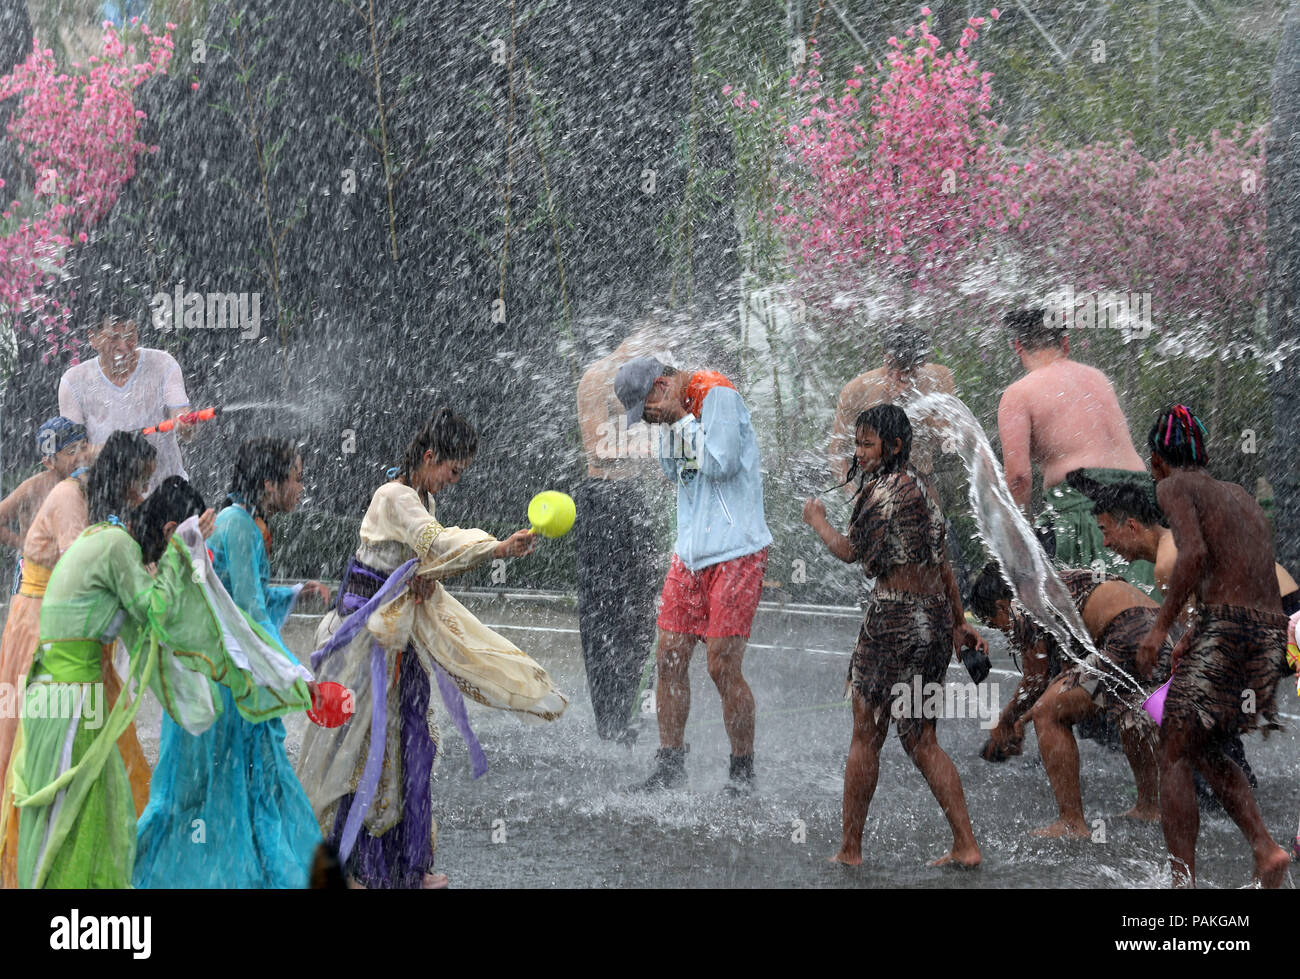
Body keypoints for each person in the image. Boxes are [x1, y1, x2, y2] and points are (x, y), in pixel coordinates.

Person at [295, 408, 568, 889]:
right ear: (428, 456)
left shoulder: (421, 496)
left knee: (410, 747)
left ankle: (406, 866)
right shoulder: (395, 497)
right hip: (365, 643)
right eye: (452, 470)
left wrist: (423, 581)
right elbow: (437, 546)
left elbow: (424, 563)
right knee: (355, 751)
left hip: (401, 641)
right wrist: (497, 548)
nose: (452, 481)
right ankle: (344, 868)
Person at [11, 475, 314, 888]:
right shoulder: (118, 546)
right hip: (69, 700)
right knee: (70, 819)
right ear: (170, 532)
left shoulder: (109, 537)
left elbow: (159, 630)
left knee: (102, 811)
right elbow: (157, 610)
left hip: (67, 694)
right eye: (186, 544)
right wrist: (278, 674)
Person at [134, 438, 330, 888]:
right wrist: (296, 679)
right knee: (237, 789)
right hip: (229, 687)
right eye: (297, 478)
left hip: (221, 678)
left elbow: (240, 599)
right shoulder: (238, 526)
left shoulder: (237, 521)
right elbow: (249, 615)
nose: (302, 488)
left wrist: (293, 593)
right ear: (269, 483)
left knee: (208, 792)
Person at [802, 405, 987, 867]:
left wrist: (817, 520)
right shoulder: (926, 488)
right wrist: (959, 621)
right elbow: (942, 561)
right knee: (923, 739)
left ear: (895, 446)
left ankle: (850, 851)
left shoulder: (881, 493)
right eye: (858, 443)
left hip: (892, 621)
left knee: (866, 735)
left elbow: (849, 551)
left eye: (868, 444)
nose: (859, 452)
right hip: (934, 622)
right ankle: (966, 845)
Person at [1135, 405, 1291, 888]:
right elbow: (1241, 577)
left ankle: (1183, 883)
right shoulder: (1240, 495)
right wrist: (1198, 637)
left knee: (1175, 749)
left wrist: (1162, 629)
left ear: (1158, 459)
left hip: (1231, 629)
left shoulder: (1173, 486)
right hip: (1270, 634)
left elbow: (1195, 554)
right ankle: (1266, 851)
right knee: (1205, 744)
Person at [0, 431, 151, 888]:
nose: (140, 494)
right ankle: (28, 846)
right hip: (45, 628)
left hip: (70, 630)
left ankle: (105, 833)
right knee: (29, 739)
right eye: (138, 482)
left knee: (95, 735)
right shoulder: (67, 495)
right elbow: (79, 565)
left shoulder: (86, 498)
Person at [614, 357, 772, 793]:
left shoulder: (715, 392)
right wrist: (672, 426)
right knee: (668, 656)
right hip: (690, 554)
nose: (648, 420)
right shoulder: (673, 413)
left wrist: (681, 419)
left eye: (647, 411)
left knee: (721, 665)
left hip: (737, 551)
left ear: (661, 385)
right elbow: (672, 472)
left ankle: (742, 773)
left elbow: (721, 463)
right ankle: (669, 765)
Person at [967, 563, 1167, 837]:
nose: (1004, 633)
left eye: (996, 625)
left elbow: (1035, 681)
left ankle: (1071, 822)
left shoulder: (1023, 602)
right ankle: (1149, 806)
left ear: (1002, 607)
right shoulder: (1049, 586)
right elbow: (1063, 678)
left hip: (1126, 634)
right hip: (1157, 633)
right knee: (1127, 710)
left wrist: (1007, 719)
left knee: (1048, 713)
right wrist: (1021, 722)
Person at [996, 309, 1155, 590]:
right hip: (1143, 506)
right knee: (1152, 611)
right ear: (1065, 345)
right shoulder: (1098, 378)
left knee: (1088, 621)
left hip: (1086, 509)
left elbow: (1019, 478)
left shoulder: (1018, 394)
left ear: (1018, 346)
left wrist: (1017, 540)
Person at [574, 330, 668, 743]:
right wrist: (658, 448)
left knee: (645, 607)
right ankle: (609, 720)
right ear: (628, 342)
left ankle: (633, 709)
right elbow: (598, 447)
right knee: (603, 610)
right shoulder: (598, 378)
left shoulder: (647, 377)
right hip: (604, 498)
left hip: (635, 498)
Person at [1087, 478, 1300, 614]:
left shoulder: (1168, 563)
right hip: (1289, 606)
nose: (1105, 543)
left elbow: (1192, 640)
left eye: (1105, 530)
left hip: (1278, 617)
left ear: (1132, 526)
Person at [58, 311, 195, 492]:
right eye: (114, 338)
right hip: (110, 497)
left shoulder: (163, 364)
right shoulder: (73, 381)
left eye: (130, 336)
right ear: (93, 339)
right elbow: (71, 456)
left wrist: (186, 424)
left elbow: (185, 426)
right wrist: (121, 448)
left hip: (168, 492)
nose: (124, 346)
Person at [0, 417, 89, 585]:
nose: (81, 456)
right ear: (49, 462)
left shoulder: (89, 482)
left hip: (69, 568)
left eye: (83, 447)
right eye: (71, 451)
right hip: (34, 571)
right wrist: (27, 545)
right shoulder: (33, 488)